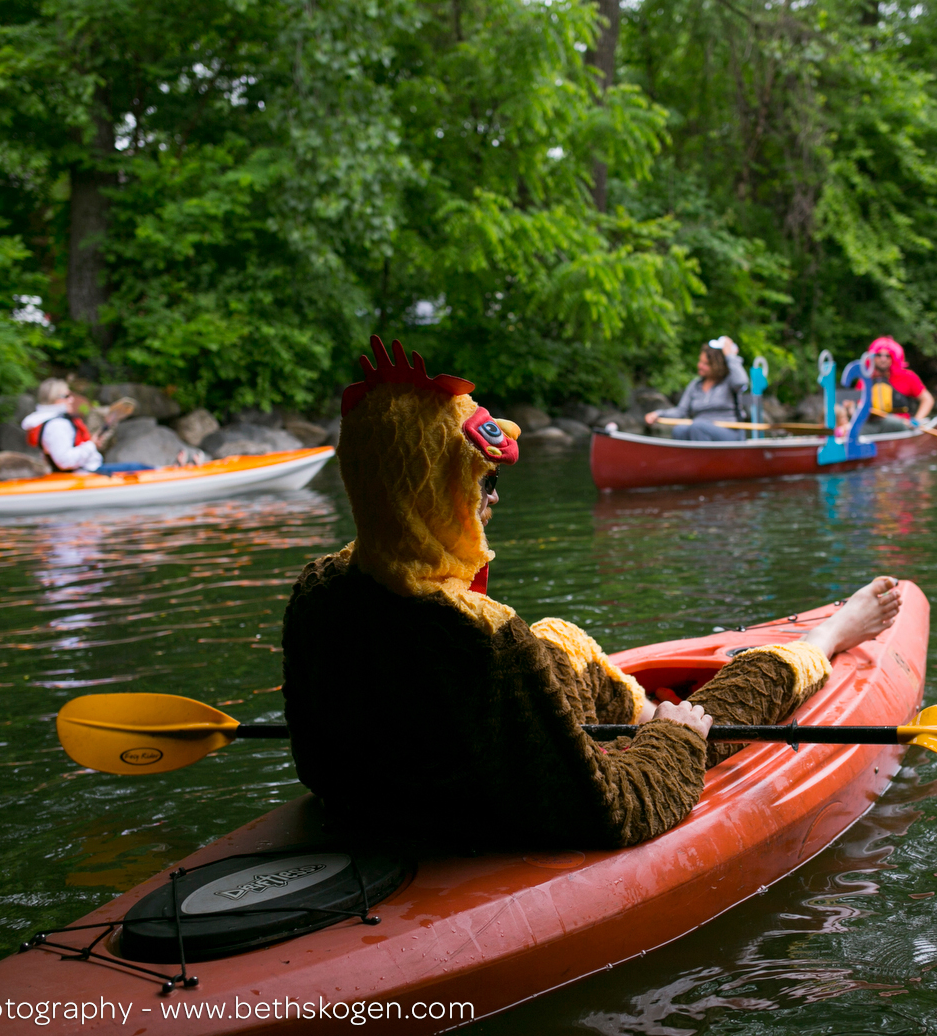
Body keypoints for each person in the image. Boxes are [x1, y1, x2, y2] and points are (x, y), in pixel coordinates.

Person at [281, 335, 903, 851]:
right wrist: (678, 738)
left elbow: (319, 765)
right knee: (710, 711)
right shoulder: (478, 640)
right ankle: (826, 638)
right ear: (430, 489)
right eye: (483, 481)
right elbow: (616, 810)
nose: (492, 498)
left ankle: (642, 712)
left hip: (402, 796)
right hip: (486, 817)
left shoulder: (321, 590)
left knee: (559, 638)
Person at [21, 378, 152, 475]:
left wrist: (91, 443)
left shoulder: (51, 421)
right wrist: (91, 446)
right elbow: (65, 461)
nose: (71, 399)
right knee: (137, 468)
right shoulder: (56, 425)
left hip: (81, 471)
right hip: (83, 473)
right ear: (53, 398)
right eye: (66, 396)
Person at [644, 337, 749, 441]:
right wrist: (658, 414)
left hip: (729, 432)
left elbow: (741, 382)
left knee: (698, 427)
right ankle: (688, 458)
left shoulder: (730, 381)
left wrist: (730, 356)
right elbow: (681, 411)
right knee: (679, 430)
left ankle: (704, 458)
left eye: (705, 364)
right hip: (699, 429)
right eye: (700, 362)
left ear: (718, 365)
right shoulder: (695, 385)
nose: (700, 366)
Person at [836, 336, 934, 431]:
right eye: (879, 355)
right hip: (871, 425)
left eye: (887, 356)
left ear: (893, 358)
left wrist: (917, 419)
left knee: (890, 422)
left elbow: (927, 399)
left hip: (901, 424)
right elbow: (854, 405)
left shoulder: (907, 377)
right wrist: (850, 408)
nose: (883, 359)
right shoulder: (865, 379)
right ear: (873, 357)